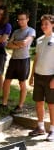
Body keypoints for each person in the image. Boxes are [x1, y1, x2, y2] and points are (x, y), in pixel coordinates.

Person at [0, 10, 36, 114]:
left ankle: (20, 106)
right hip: (13, 60)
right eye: (19, 19)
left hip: (24, 60)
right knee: (7, 81)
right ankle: (4, 104)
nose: (20, 21)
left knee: (22, 83)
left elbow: (25, 43)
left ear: (27, 19)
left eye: (22, 19)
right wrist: (18, 43)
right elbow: (7, 45)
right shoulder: (16, 32)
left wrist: (15, 43)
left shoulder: (31, 31)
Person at [28, 14, 54, 142]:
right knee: (39, 103)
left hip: (51, 77)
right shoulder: (39, 40)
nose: (43, 26)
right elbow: (36, 59)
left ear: (52, 25)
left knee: (52, 105)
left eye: (46, 24)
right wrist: (32, 76)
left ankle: (53, 130)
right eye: (42, 24)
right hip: (38, 76)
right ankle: (40, 128)